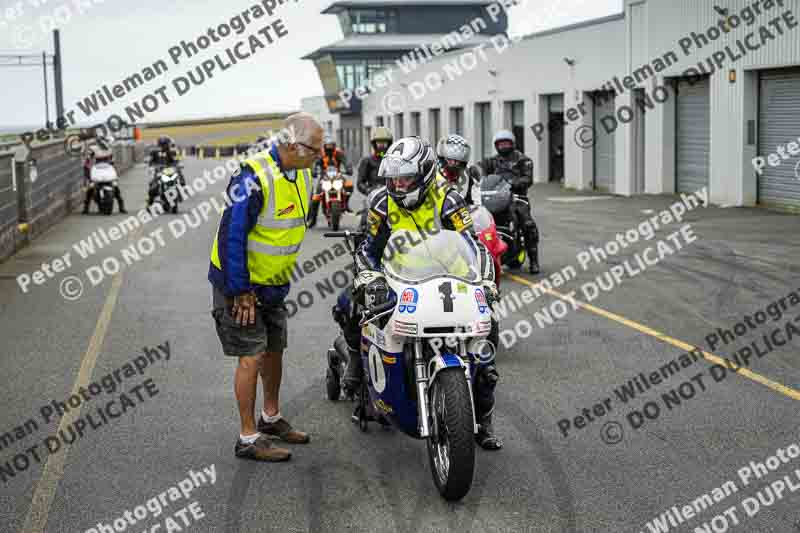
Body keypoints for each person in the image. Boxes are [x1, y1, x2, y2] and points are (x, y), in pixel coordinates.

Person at [336, 136, 503, 450]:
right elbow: (367, 250)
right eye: (392, 179)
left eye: (405, 178)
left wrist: (485, 283)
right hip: (396, 277)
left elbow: (474, 244)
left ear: (425, 172)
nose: (397, 185)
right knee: (347, 304)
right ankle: (357, 367)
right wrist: (372, 280)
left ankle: (483, 420)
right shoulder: (380, 202)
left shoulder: (449, 198)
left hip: (448, 276)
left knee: (487, 347)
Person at [208, 112, 323, 462]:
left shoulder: (302, 174)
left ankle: (270, 418)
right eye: (314, 149)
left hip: (273, 285)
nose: (319, 156)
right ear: (291, 143)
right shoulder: (253, 176)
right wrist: (240, 291)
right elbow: (233, 235)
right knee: (251, 355)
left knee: (275, 349)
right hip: (240, 285)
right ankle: (247, 437)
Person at [478, 130, 540, 274]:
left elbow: (528, 178)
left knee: (528, 224)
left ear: (512, 144)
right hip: (495, 197)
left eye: (506, 143)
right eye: (501, 144)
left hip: (517, 198)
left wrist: (513, 183)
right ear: (496, 145)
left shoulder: (523, 160)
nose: (504, 146)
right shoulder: (492, 161)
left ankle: (534, 261)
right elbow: (479, 170)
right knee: (478, 220)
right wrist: (474, 175)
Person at [308, 134, 353, 225]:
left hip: (338, 176)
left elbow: (346, 161)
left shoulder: (339, 153)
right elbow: (315, 163)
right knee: (316, 196)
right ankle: (313, 219)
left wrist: (349, 168)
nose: (329, 148)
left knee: (349, 185)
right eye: (328, 146)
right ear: (324, 146)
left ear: (334, 146)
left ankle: (346, 204)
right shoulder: (320, 154)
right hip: (324, 177)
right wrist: (313, 171)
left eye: (331, 146)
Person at [82, 135, 127, 214]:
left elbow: (112, 161)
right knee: (91, 187)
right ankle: (86, 207)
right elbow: (88, 160)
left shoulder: (109, 149)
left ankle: (121, 206)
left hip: (107, 169)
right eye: (102, 142)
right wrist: (87, 167)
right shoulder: (93, 149)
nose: (104, 144)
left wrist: (113, 170)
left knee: (115, 186)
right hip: (97, 169)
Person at [436, 134, 482, 205]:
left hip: (460, 214)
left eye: (457, 161)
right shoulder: (432, 175)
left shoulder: (469, 177)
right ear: (442, 158)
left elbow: (477, 203)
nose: (454, 164)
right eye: (450, 160)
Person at [148, 136, 186, 207]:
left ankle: (180, 193)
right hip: (158, 170)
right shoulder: (154, 152)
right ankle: (150, 202)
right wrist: (152, 166)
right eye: (162, 144)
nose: (164, 146)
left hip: (169, 170)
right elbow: (150, 161)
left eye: (165, 144)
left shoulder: (172, 152)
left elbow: (176, 160)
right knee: (153, 185)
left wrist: (178, 165)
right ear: (159, 144)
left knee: (179, 178)